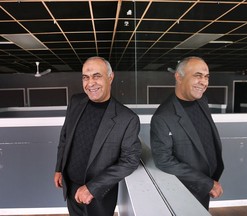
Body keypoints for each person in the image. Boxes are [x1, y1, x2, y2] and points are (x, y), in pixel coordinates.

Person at [54, 56, 142, 216]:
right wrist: (59, 168)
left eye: (97, 76)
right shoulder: (76, 102)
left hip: (98, 195)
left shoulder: (127, 118)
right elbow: (65, 137)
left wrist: (92, 188)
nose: (90, 83)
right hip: (71, 186)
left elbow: (130, 161)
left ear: (110, 77)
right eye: (86, 78)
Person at [150, 56, 224, 210]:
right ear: (179, 77)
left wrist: (210, 180)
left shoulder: (202, 101)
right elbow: (164, 160)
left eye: (206, 77)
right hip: (187, 189)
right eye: (197, 76)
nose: (203, 82)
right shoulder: (163, 117)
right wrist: (205, 183)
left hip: (207, 184)